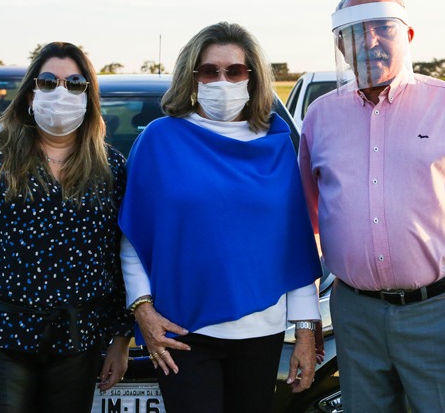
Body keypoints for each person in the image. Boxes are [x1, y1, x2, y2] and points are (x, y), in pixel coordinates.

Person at [299, 0, 445, 412]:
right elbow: (305, 227)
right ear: (341, 45)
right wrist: (307, 320)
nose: (370, 41)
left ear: (408, 35)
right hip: (355, 315)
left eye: (382, 27)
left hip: (439, 313)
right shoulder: (321, 116)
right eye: (355, 32)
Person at [118, 22, 323, 413]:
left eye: (234, 71)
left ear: (252, 77)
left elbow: (294, 244)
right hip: (181, 329)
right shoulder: (160, 140)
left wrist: (304, 331)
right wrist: (142, 310)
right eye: (209, 71)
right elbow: (134, 236)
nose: (222, 81)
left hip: (262, 331)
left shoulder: (276, 142)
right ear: (192, 77)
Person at [0, 42, 132, 412]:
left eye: (74, 83)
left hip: (78, 342)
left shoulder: (111, 168)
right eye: (48, 82)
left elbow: (119, 258)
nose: (61, 92)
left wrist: (121, 340)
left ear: (88, 98)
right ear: (29, 95)